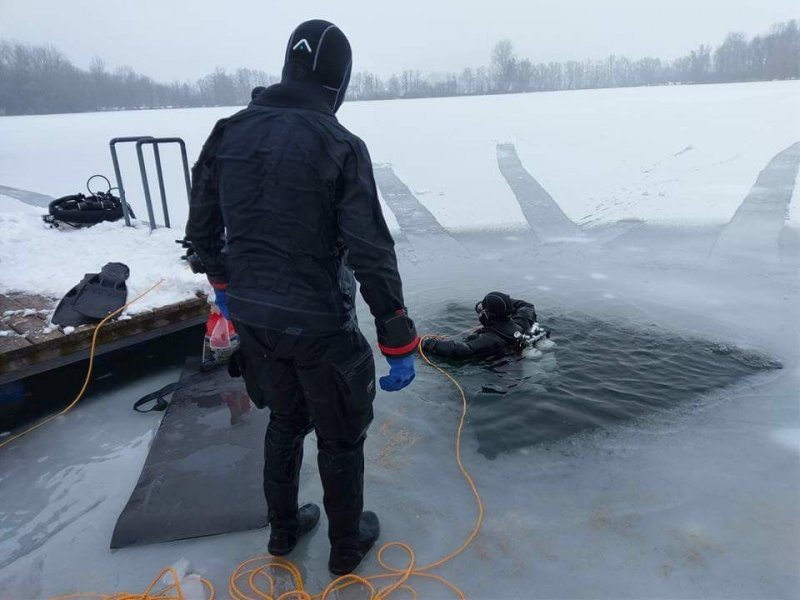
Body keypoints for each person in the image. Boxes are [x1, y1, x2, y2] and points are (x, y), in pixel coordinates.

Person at [185, 20, 419, 576]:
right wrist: (396, 334)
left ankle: (284, 530)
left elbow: (200, 230)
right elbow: (370, 250)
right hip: (320, 326)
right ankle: (345, 543)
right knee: (340, 436)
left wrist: (225, 288)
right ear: (337, 82)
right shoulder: (339, 144)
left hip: (256, 322)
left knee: (286, 420)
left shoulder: (227, 132)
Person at [422, 292, 537, 358]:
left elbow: (460, 349)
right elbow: (527, 306)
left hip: (505, 374)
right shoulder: (522, 322)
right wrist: (503, 303)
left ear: (487, 315)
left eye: (482, 310)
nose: (480, 313)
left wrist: (426, 343)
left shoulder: (489, 339)